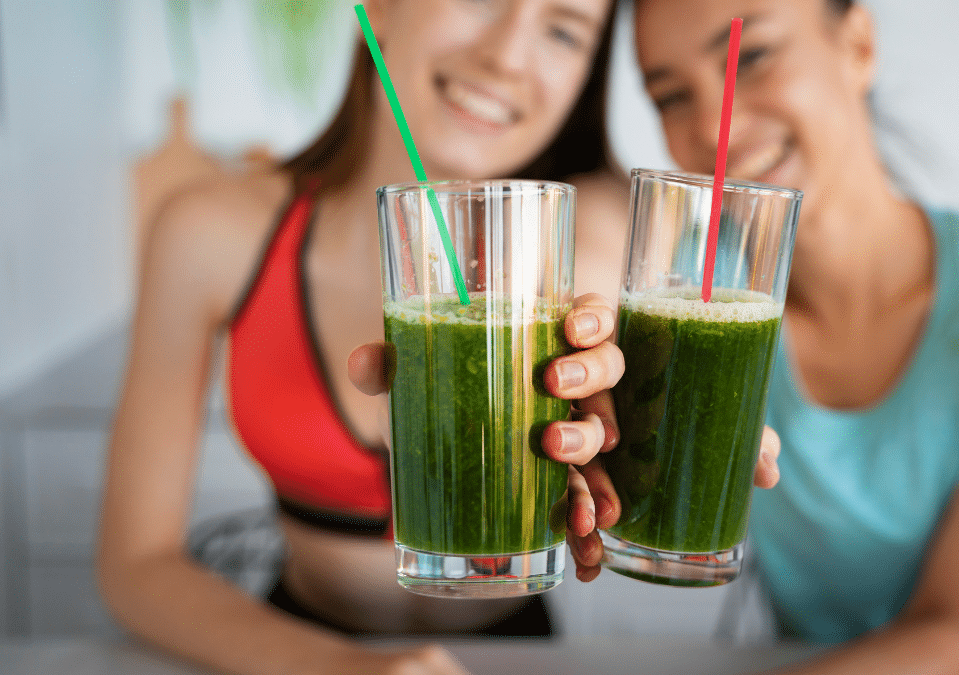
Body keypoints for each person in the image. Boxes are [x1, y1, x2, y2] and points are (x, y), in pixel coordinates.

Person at [569, 0, 959, 673]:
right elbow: (593, 249)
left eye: (751, 58)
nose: (719, 128)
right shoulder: (691, 293)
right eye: (670, 95)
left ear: (858, 44)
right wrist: (573, 371)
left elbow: (954, 631)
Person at [97, 1, 631, 673]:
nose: (507, 55)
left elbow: (654, 463)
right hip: (292, 647)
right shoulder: (209, 231)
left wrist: (651, 446)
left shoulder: (601, 242)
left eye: (562, 29)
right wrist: (339, 668)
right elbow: (136, 564)